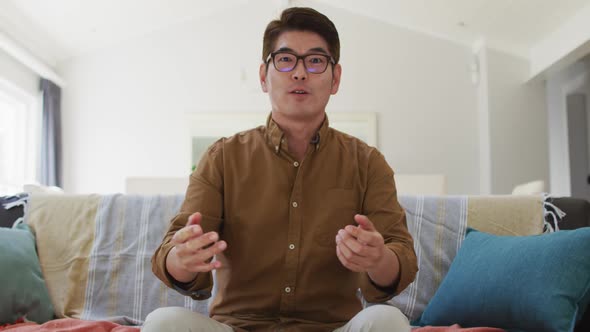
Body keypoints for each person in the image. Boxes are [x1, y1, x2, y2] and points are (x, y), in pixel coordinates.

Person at [144, 7, 417, 332]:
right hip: (237, 327)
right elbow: (173, 257)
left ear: (336, 78)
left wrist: (378, 259)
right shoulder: (221, 158)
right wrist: (183, 259)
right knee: (162, 323)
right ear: (264, 76)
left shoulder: (368, 163)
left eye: (315, 61)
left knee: (388, 321)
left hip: (333, 328)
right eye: (286, 60)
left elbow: (401, 260)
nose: (299, 73)